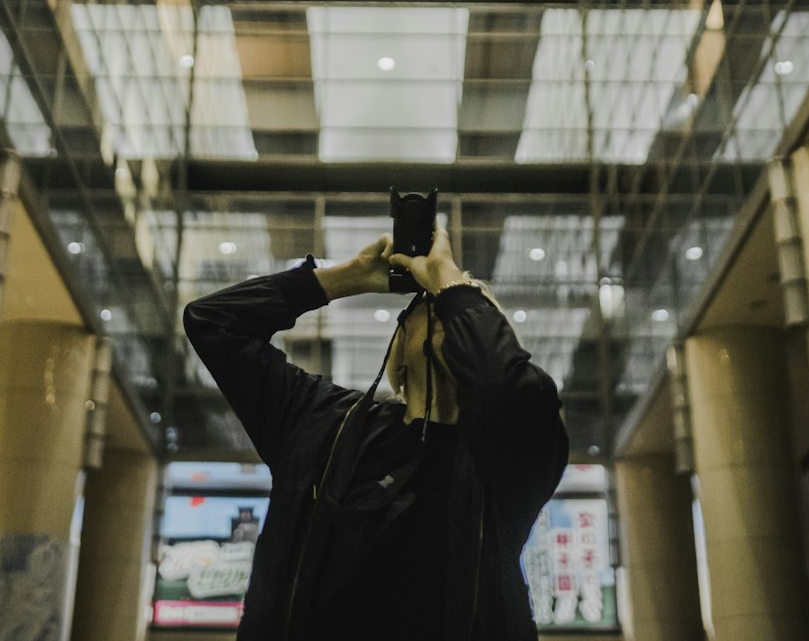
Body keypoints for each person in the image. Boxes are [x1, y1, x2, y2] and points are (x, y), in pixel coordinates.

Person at [183, 223, 569, 640]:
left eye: (467, 311)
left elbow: (508, 388)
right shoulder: (322, 423)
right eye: (432, 304)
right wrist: (347, 277)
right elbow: (213, 322)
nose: (445, 303)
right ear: (399, 351)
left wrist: (451, 283)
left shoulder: (512, 455)